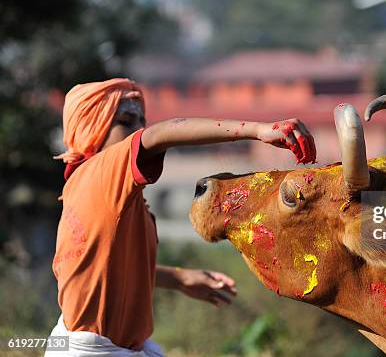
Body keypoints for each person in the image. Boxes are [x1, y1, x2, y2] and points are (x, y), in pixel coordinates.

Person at [45, 78, 316, 356]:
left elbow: (106, 274)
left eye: (141, 120)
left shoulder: (111, 195)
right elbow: (160, 134)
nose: (138, 128)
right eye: (126, 120)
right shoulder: (99, 172)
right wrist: (258, 130)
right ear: (92, 127)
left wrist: (179, 279)